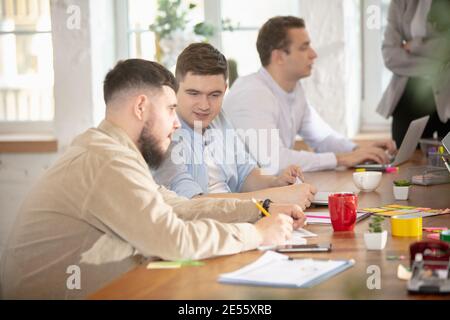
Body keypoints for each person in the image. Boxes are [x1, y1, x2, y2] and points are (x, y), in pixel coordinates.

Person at [0, 59, 306, 299]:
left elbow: (180, 207)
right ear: (141, 106)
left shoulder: (114, 152)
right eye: (171, 109)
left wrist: (262, 208)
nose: (176, 123)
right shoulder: (106, 160)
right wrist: (258, 234)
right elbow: (174, 240)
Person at [223, 16, 397, 174]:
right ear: (278, 57)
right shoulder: (252, 94)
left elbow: (322, 138)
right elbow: (274, 162)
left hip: (271, 193)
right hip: (241, 200)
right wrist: (341, 158)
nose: (314, 54)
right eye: (304, 47)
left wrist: (358, 150)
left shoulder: (294, 89)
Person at [153, 43, 316, 209]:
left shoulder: (219, 118)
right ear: (175, 88)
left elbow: (245, 173)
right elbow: (191, 203)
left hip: (239, 218)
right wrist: (275, 197)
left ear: (225, 89)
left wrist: (275, 182)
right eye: (194, 93)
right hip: (207, 225)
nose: (204, 105)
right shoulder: (165, 133)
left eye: (214, 95)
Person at [377, 0, 450, 147]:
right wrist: (439, 65)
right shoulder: (400, 3)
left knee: (445, 165)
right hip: (407, 98)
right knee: (405, 163)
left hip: (447, 95)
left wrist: (415, 45)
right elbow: (390, 55)